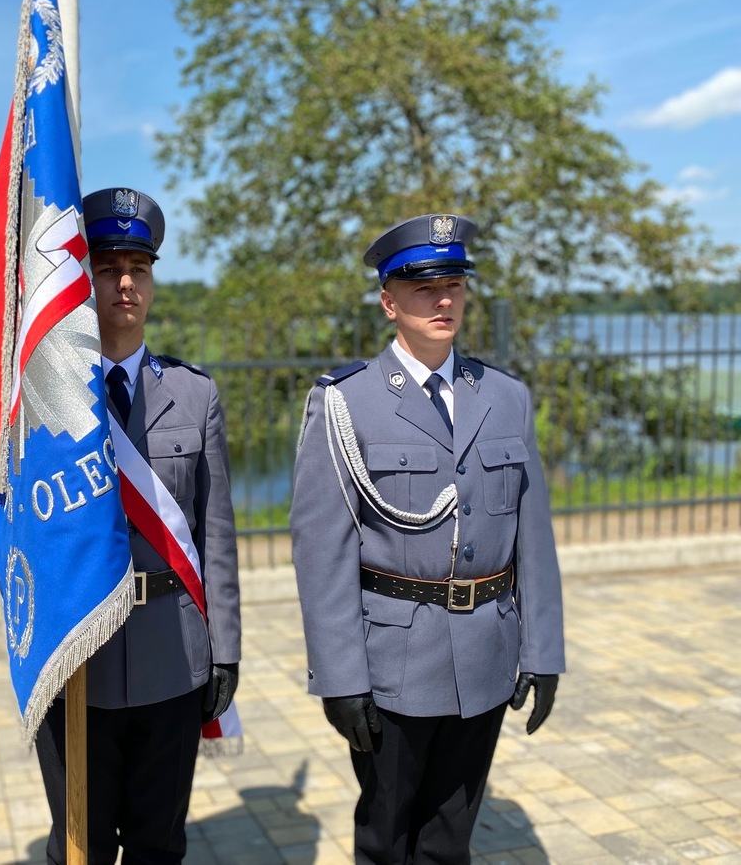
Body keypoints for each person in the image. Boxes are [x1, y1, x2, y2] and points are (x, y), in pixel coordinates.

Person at [290, 214, 565, 864]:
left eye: (454, 285)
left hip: (486, 656)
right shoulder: (347, 401)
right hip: (394, 662)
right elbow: (322, 551)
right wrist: (340, 678)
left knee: (449, 843)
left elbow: (533, 536)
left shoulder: (506, 397)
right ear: (389, 302)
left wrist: (543, 650)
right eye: (424, 288)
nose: (444, 301)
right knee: (386, 842)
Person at [34, 187, 242, 864]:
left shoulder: (195, 394)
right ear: (81, 279)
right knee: (80, 847)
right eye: (107, 268)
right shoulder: (41, 397)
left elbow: (216, 534)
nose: (125, 283)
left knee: (159, 845)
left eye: (139, 268)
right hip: (77, 658)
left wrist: (226, 649)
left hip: (171, 656)